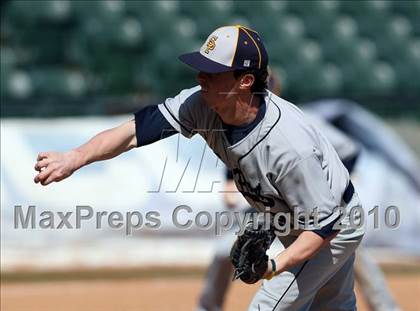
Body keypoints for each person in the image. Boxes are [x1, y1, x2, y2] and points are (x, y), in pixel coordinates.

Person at [34, 25, 364, 310]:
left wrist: (273, 264)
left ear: (245, 81)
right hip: (300, 216)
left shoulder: (288, 145)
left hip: (332, 224)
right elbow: (136, 130)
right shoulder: (201, 104)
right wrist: (75, 157)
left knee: (269, 305)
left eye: (213, 71)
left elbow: (324, 226)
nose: (200, 76)